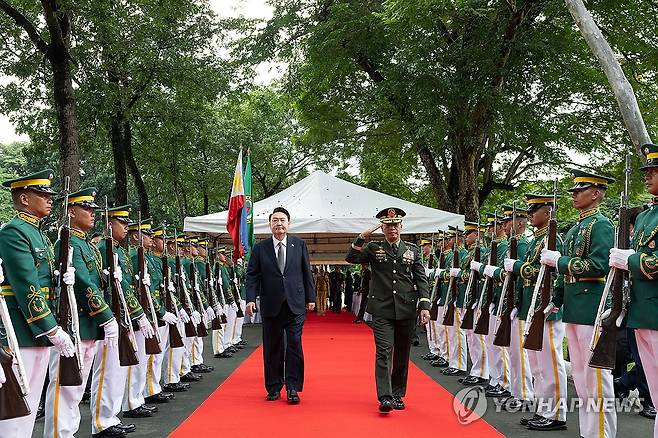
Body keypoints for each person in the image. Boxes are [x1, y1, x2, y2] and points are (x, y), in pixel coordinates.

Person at [0, 170, 75, 437]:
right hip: (22, 329)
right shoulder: (14, 232)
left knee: (30, 402)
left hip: (37, 330)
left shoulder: (38, 234)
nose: (49, 199)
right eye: (42, 194)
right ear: (23, 197)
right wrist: (50, 328)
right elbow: (25, 286)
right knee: (18, 401)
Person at [542, 169, 616, 438]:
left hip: (591, 308)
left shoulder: (602, 225)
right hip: (574, 307)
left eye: (580, 190)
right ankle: (589, 432)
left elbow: (599, 266)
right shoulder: (575, 228)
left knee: (595, 377)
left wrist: (558, 262)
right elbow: (566, 274)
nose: (574, 194)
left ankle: (601, 434)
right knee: (583, 381)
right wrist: (556, 299)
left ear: (595, 194)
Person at [43, 187, 118, 438]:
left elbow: (94, 281)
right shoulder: (68, 242)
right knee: (65, 385)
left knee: (77, 385)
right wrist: (106, 316)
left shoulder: (87, 245)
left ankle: (67, 432)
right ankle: (59, 434)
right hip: (74, 321)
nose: (92, 213)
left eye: (93, 209)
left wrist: (108, 279)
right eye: (86, 208)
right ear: (71, 212)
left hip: (88, 324)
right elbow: (84, 284)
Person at [346, 207, 431, 413]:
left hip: (406, 308)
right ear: (382, 228)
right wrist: (360, 238)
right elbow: (351, 259)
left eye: (395, 225)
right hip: (382, 308)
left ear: (401, 227)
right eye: (387, 225)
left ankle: (397, 394)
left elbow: (420, 278)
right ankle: (385, 396)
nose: (392, 228)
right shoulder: (374, 248)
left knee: (402, 353)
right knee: (383, 352)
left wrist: (424, 305)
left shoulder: (412, 250)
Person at [610, 143, 658, 436]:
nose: (648, 175)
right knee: (653, 386)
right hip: (640, 311)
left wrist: (632, 259)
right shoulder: (643, 217)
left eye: (654, 170)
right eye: (647, 171)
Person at [507, 195, 567, 430]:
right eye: (530, 210)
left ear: (548, 212)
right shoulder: (535, 241)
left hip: (546, 307)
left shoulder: (554, 240)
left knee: (550, 362)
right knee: (537, 364)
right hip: (532, 307)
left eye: (535, 209)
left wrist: (519, 267)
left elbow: (552, 274)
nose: (531, 214)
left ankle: (556, 414)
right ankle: (544, 410)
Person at [245, 207, 316, 404]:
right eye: (275, 220)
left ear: (289, 223)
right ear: (270, 224)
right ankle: (274, 386)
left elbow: (306, 272)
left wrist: (311, 298)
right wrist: (250, 299)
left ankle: (293, 388)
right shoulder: (261, 248)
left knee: (294, 345)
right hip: (271, 305)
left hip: (295, 304)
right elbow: (252, 275)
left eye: (282, 220)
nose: (279, 223)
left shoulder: (299, 245)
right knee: (273, 347)